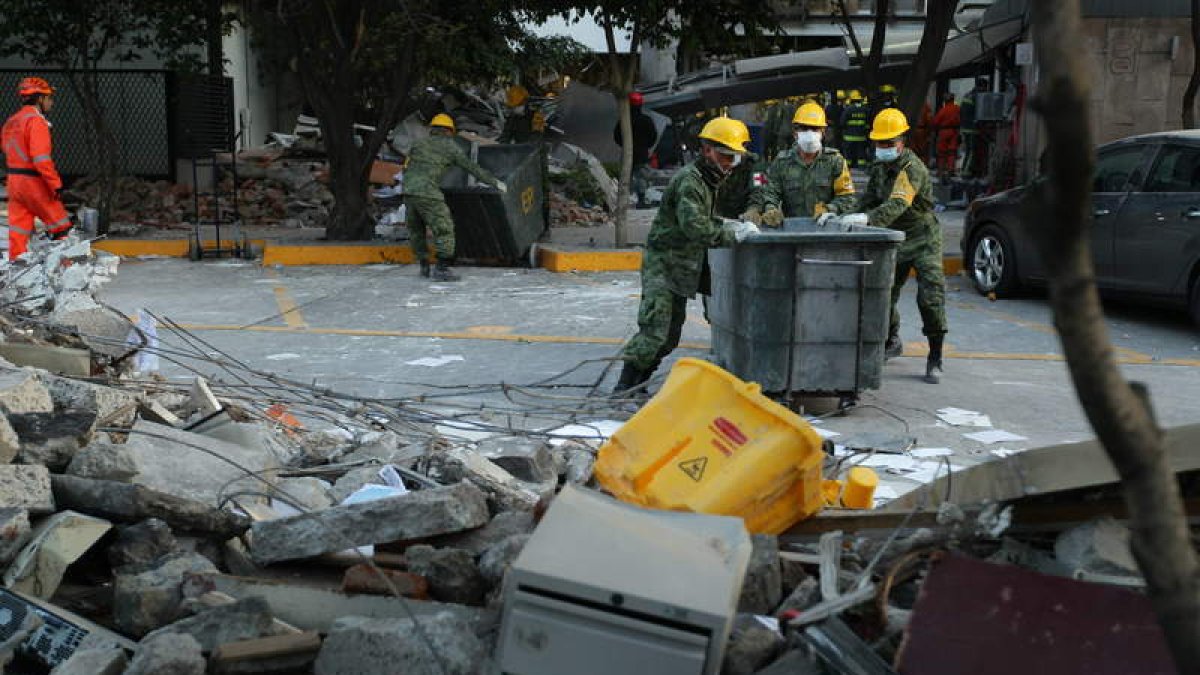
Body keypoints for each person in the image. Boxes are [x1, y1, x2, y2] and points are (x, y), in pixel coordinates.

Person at [613, 117, 759, 395]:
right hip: (664, 265)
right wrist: (731, 233)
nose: (730, 163)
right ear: (707, 150)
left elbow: (703, 219)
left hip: (680, 268)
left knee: (669, 337)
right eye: (726, 156)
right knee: (655, 331)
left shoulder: (708, 179)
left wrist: (727, 223)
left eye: (734, 158)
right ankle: (624, 387)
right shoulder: (690, 182)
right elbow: (695, 226)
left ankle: (639, 384)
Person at [848, 108, 947, 384]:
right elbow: (869, 198)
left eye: (889, 143)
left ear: (902, 141)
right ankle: (892, 339)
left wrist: (868, 219)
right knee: (884, 294)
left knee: (930, 297)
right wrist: (848, 215)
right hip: (894, 238)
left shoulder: (912, 168)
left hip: (923, 238)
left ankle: (935, 355)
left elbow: (897, 203)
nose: (883, 148)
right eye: (880, 143)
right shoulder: (879, 167)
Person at [403, 113, 507, 282]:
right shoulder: (450, 147)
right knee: (444, 228)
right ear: (449, 131)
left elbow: (406, 166)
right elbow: (472, 168)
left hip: (408, 191)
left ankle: (424, 266)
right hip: (428, 193)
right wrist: (495, 183)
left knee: (416, 230)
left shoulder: (418, 144)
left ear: (433, 129)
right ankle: (442, 268)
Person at [2, 77, 72, 260]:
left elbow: (7, 148)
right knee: (60, 226)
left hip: (14, 182)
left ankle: (17, 272)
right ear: (40, 98)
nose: (51, 102)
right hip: (34, 183)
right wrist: (55, 185)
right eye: (49, 98)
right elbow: (41, 159)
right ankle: (68, 271)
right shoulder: (36, 121)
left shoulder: (12, 121)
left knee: (18, 232)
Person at [758, 102, 855, 226]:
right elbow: (770, 193)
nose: (809, 134)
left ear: (823, 132)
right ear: (795, 132)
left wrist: (829, 209)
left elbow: (847, 198)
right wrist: (771, 209)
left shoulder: (835, 161)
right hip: (792, 231)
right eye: (804, 128)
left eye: (814, 129)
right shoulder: (782, 162)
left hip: (826, 230)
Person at [613, 92, 659, 208]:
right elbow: (653, 136)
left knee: (626, 175)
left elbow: (617, 136)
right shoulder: (646, 120)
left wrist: (624, 145)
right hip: (642, 152)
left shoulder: (624, 120)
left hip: (628, 152)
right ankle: (641, 199)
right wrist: (646, 146)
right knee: (640, 176)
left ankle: (623, 199)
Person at [960, 77, 989, 177]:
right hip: (972, 128)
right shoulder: (977, 96)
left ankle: (966, 170)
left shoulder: (968, 94)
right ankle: (965, 172)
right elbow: (980, 113)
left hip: (965, 127)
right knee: (972, 151)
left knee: (968, 150)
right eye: (985, 88)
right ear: (982, 86)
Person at [931, 93, 961, 177]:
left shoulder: (943, 110)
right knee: (952, 152)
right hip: (954, 132)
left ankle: (940, 171)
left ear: (945, 101)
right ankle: (950, 170)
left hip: (943, 132)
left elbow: (935, 122)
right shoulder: (957, 109)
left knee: (942, 153)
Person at [841, 91, 870, 168]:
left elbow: (842, 122)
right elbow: (868, 123)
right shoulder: (865, 109)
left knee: (849, 153)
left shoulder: (848, 109)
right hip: (861, 137)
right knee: (861, 153)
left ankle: (848, 166)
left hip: (849, 137)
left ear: (851, 100)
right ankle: (861, 166)